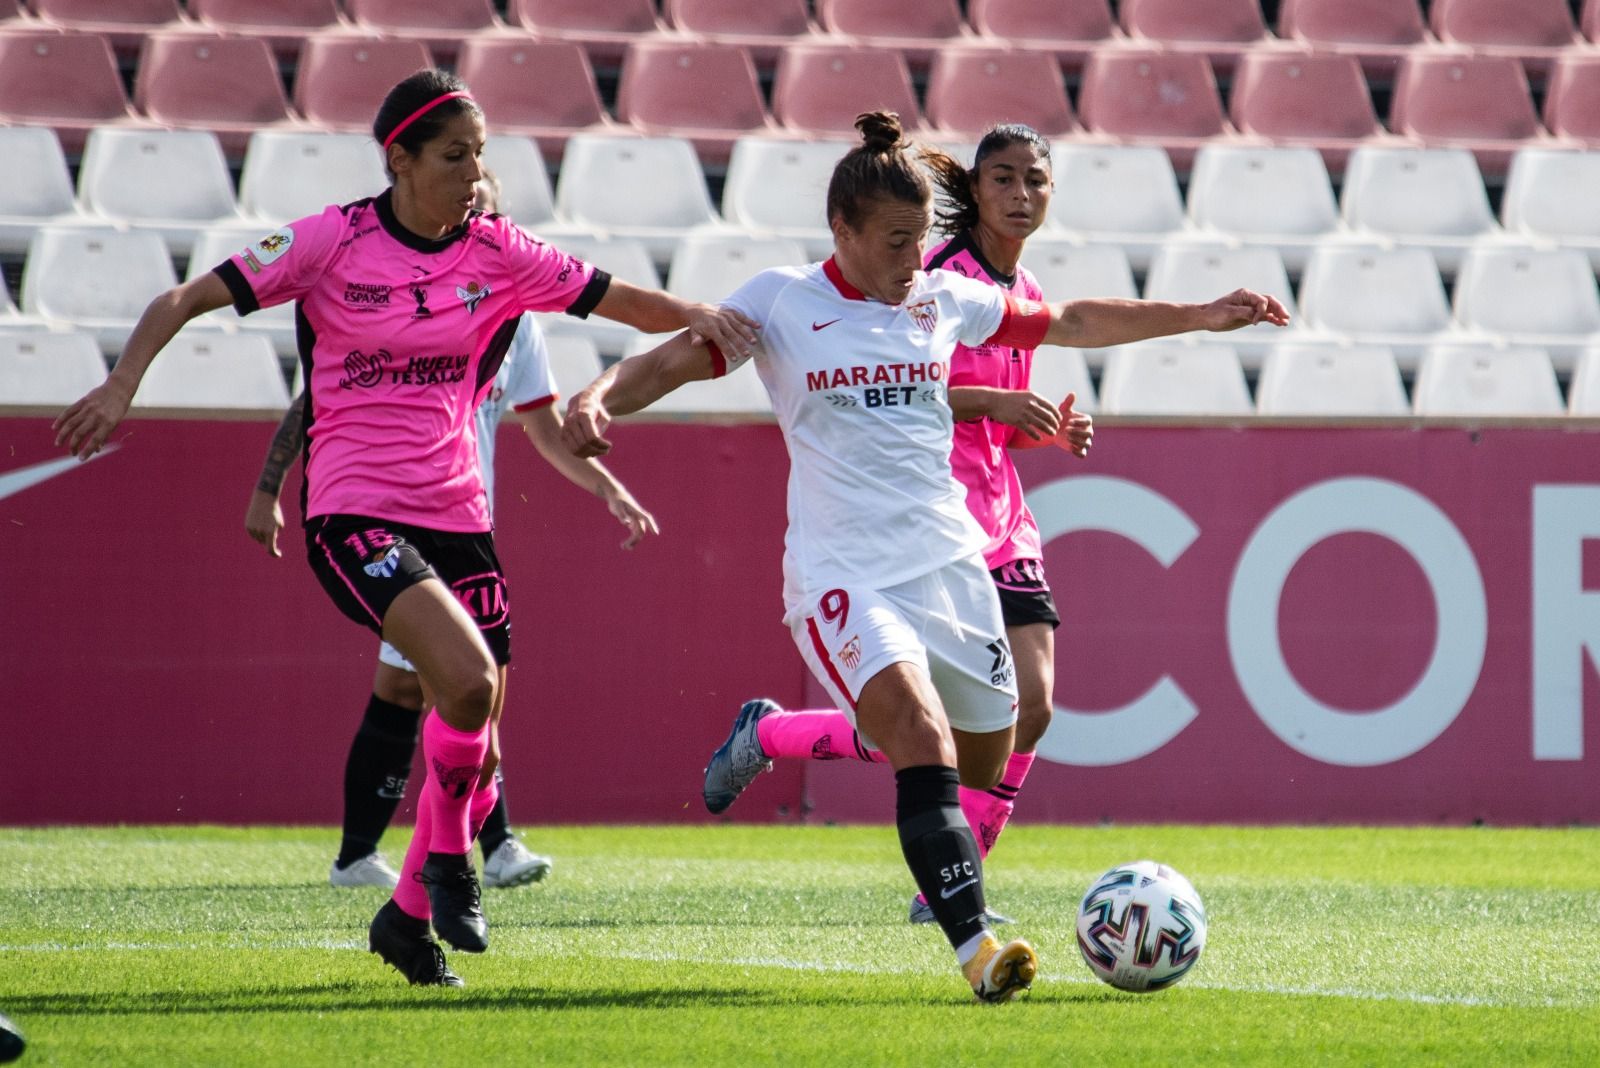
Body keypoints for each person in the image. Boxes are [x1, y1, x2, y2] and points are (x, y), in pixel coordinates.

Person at [54, 68, 759, 988]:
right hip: (354, 508)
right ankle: (448, 866)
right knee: (464, 686)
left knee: (482, 734)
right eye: (455, 156)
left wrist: (704, 316)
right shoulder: (329, 240)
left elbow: (615, 296)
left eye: (481, 156)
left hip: (461, 513)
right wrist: (120, 384)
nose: (474, 173)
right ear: (400, 159)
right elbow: (182, 299)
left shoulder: (498, 251)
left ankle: (407, 918)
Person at [562, 111, 1287, 1002]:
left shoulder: (941, 300)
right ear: (843, 231)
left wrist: (1201, 315)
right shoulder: (783, 301)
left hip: (951, 565)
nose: (917, 259)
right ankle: (978, 948)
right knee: (915, 731)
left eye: (920, 240)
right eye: (898, 241)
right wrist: (599, 396)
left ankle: (772, 732)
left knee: (977, 758)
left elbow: (1069, 320)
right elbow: (671, 362)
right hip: (842, 573)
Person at [699, 125, 1098, 927]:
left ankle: (779, 736)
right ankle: (953, 893)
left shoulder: (981, 288)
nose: (1021, 195)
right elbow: (912, 397)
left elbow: (986, 402)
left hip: (985, 516)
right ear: (974, 192)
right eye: (1003, 179)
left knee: (1017, 717)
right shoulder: (923, 272)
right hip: (891, 529)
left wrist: (1036, 426)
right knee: (926, 726)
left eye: (1036, 180)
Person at [244, 171, 658, 893]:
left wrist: (609, 488)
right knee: (453, 688)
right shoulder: (398, 302)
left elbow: (544, 429)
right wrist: (269, 485)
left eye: (490, 213)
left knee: (442, 691)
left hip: (464, 523)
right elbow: (319, 397)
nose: (476, 225)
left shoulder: (520, 321)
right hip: (393, 519)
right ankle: (474, 848)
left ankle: (371, 855)